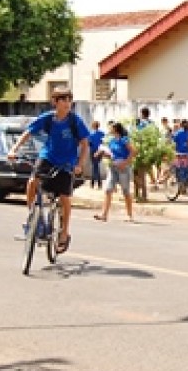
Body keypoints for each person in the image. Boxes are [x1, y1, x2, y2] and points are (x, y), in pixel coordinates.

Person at [8, 87, 90, 254]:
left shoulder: (75, 121)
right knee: (32, 182)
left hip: (67, 162)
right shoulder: (48, 119)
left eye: (69, 100)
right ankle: (33, 217)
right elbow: (28, 133)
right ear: (55, 102)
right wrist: (14, 149)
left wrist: (80, 164)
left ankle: (64, 232)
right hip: (48, 157)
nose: (68, 103)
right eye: (64, 100)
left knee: (65, 197)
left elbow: (84, 144)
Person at [94, 122, 137, 223]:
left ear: (116, 129)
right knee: (108, 190)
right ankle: (104, 214)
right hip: (113, 167)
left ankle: (129, 215)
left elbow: (133, 151)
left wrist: (125, 162)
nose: (109, 129)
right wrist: (101, 154)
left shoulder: (124, 140)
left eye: (111, 128)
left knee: (125, 191)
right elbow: (112, 155)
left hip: (123, 168)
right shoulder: (112, 141)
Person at [88, 121, 106, 189]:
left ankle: (95, 183)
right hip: (100, 151)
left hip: (93, 151)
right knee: (96, 166)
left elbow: (89, 143)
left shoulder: (91, 134)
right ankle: (96, 183)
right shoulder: (102, 134)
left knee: (95, 167)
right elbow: (103, 142)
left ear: (93, 126)